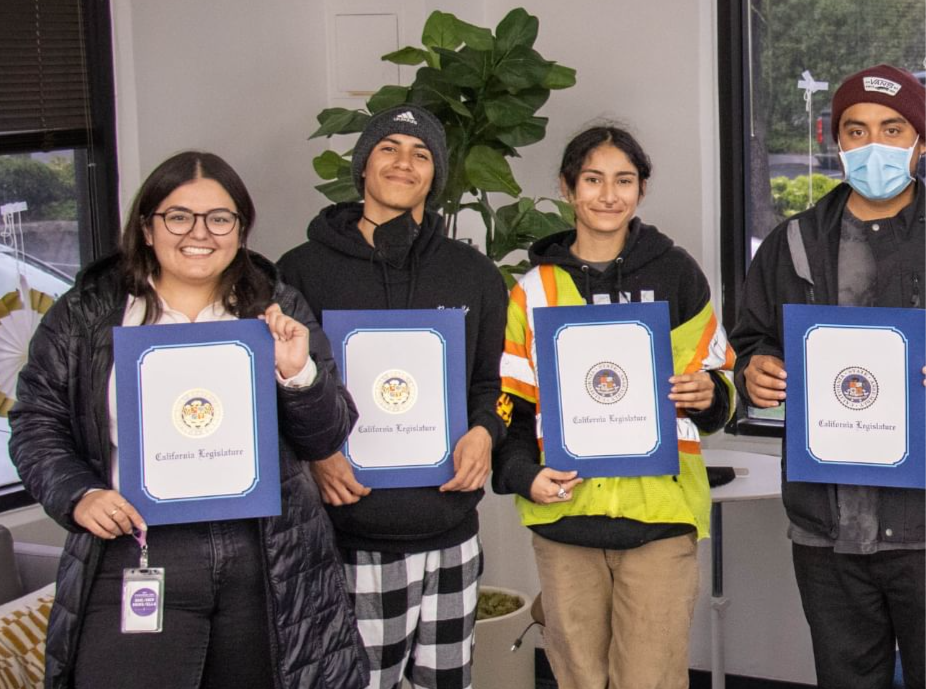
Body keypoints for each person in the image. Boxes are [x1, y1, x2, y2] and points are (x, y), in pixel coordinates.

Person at [9, 151, 368, 689]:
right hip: (135, 544)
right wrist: (80, 495)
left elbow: (325, 435)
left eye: (220, 218)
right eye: (178, 216)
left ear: (239, 231)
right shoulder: (89, 312)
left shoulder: (275, 306)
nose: (200, 233)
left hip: (266, 555)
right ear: (148, 228)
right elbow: (37, 422)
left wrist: (297, 374)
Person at [492, 124, 735, 689]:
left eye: (624, 180)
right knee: (577, 679)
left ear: (641, 190)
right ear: (567, 187)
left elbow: (722, 384)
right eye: (593, 179)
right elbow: (511, 406)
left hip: (660, 523)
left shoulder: (676, 273)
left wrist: (710, 394)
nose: (608, 194)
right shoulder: (534, 290)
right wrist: (525, 476)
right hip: (566, 521)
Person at [278, 104, 509, 689]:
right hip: (353, 537)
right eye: (389, 148)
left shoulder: (474, 274)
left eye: (421, 154)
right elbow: (273, 393)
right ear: (362, 166)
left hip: (451, 532)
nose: (404, 163)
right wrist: (316, 455)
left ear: (435, 176)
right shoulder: (299, 272)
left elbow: (495, 384)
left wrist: (485, 430)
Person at [730, 63, 926, 689]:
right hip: (826, 529)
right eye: (856, 129)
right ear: (835, 141)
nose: (875, 145)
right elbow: (753, 341)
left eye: (893, 129)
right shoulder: (790, 243)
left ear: (921, 142)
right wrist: (753, 370)